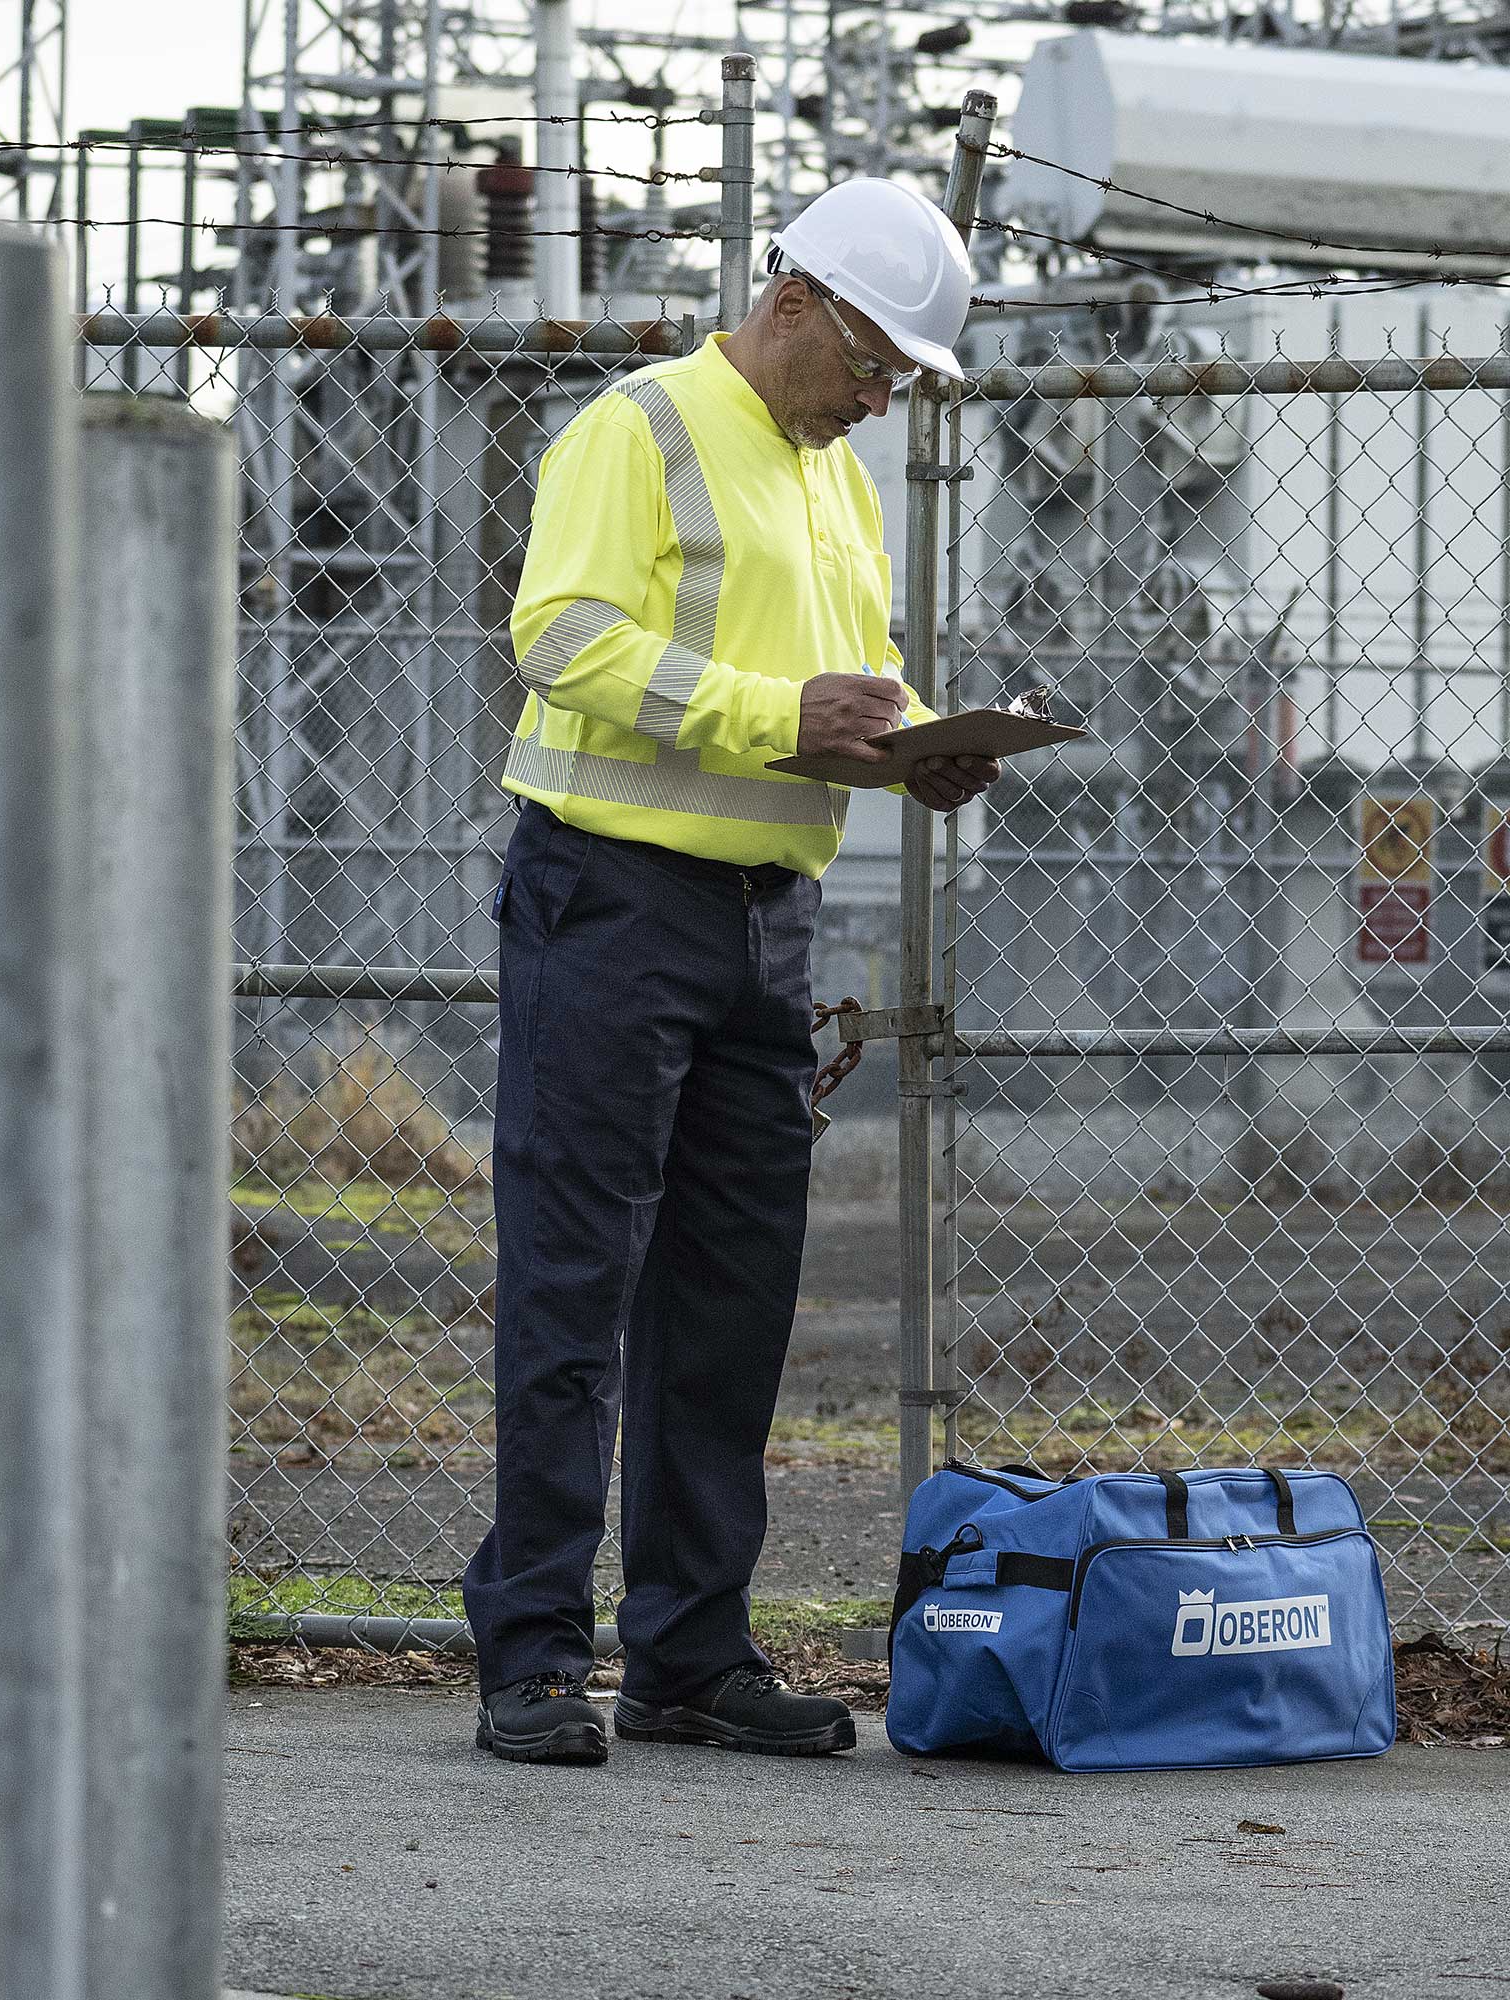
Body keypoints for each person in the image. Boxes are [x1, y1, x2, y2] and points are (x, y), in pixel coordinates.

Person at [463, 179, 1003, 1765]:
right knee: (575, 1283)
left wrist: (916, 748)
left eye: (902, 377)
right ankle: (531, 1658)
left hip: (767, 927)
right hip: (611, 901)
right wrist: (781, 719)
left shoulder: (834, 478)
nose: (881, 398)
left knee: (730, 1299)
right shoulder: (638, 429)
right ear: (793, 305)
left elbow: (847, 681)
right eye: (874, 363)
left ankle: (689, 1658)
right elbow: (558, 638)